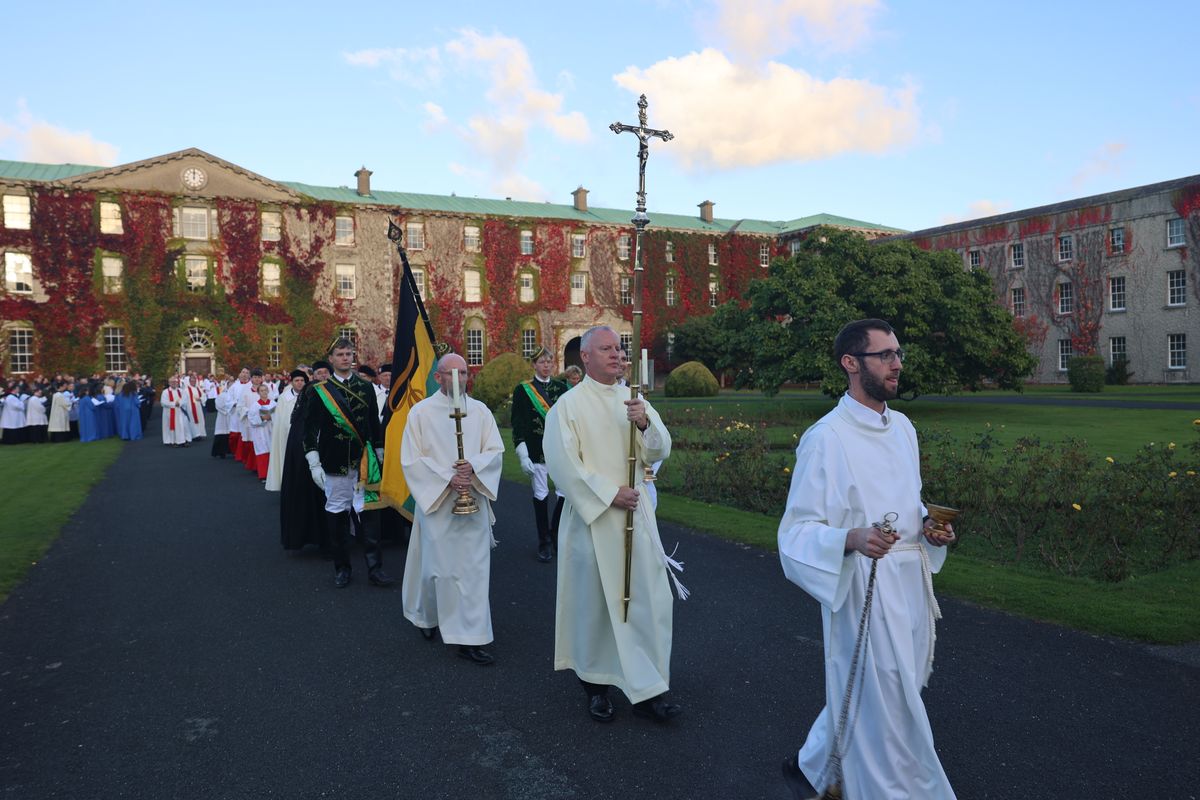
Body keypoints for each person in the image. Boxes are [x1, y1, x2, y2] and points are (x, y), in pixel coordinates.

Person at [777, 318, 956, 799]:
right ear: (851, 364)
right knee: (888, 697)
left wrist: (931, 529)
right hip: (862, 586)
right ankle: (893, 789)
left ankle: (816, 762)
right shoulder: (825, 439)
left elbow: (908, 502)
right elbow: (795, 532)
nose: (897, 364)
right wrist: (851, 539)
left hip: (909, 583)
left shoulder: (902, 428)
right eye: (885, 356)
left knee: (890, 687)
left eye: (898, 353)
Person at [543, 326, 681, 724]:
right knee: (595, 607)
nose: (616, 355)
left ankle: (649, 688)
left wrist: (643, 424)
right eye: (606, 349)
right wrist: (608, 494)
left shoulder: (634, 400)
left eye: (619, 348)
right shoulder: (567, 407)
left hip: (637, 519)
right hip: (593, 522)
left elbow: (659, 449)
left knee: (648, 602)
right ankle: (596, 687)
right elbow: (563, 466)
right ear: (584, 357)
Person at [400, 353, 504, 665]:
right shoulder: (421, 413)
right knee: (438, 571)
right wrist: (448, 479)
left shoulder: (480, 411)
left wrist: (472, 468)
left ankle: (469, 638)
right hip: (438, 504)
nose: (459, 379)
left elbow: (495, 450)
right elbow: (411, 459)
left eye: (464, 373)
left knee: (473, 572)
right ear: (438, 377)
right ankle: (427, 615)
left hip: (473, 501)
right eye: (451, 373)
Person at [302, 340, 394, 588]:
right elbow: (309, 430)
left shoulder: (365, 388)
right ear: (330, 358)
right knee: (338, 515)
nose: (345, 358)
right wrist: (314, 462)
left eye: (349, 354)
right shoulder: (318, 390)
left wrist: (379, 451)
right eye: (340, 354)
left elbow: (374, 425)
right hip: (334, 462)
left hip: (365, 462)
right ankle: (342, 568)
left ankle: (375, 569)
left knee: (371, 515)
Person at [511, 346, 570, 562]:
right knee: (541, 495)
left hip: (560, 450)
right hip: (536, 451)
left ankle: (555, 534)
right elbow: (518, 424)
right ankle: (544, 541)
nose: (546, 365)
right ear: (534, 365)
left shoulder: (562, 388)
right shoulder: (523, 390)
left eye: (549, 362)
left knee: (564, 494)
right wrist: (523, 454)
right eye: (541, 362)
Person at [281, 362, 330, 552]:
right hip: (307, 452)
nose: (323, 375)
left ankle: (329, 539)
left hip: (328, 450)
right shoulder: (310, 391)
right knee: (309, 496)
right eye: (319, 373)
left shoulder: (336, 390)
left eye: (326, 372)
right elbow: (304, 422)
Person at [265, 370, 307, 491]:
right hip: (287, 436)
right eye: (297, 381)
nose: (299, 383)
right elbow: (280, 420)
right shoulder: (284, 398)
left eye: (302, 380)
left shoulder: (309, 395)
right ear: (291, 382)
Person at [246, 383, 275, 481]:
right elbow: (251, 419)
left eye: (265, 390)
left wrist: (272, 417)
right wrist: (262, 418)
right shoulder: (255, 405)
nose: (264, 392)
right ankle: (264, 475)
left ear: (268, 391)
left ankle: (273, 475)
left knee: (272, 451)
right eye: (261, 391)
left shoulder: (273, 404)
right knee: (262, 451)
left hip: (271, 430)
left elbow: (279, 416)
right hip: (260, 432)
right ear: (258, 393)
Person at [160, 376, 190, 447]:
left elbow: (185, 399)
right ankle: (173, 441)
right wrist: (174, 403)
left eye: (175, 382)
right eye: (172, 382)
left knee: (183, 426)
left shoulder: (181, 390)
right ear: (169, 383)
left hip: (180, 411)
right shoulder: (165, 392)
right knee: (173, 426)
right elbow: (163, 402)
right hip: (170, 412)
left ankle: (184, 440)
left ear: (177, 382)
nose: (173, 383)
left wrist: (179, 403)